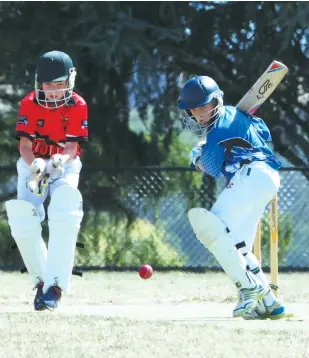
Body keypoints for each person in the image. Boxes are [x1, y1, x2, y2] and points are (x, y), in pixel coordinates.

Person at [177, 75, 285, 319]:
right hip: (266, 178)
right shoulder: (236, 116)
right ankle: (270, 302)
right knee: (239, 245)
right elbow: (262, 132)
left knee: (211, 227)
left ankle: (249, 288)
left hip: (252, 175)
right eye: (195, 109)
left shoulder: (218, 130)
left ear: (216, 101)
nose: (200, 113)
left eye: (204, 106)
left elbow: (210, 168)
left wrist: (197, 155)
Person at [5, 50, 88, 311]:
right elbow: (25, 147)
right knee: (22, 218)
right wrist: (35, 167)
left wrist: (58, 163)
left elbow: (72, 148)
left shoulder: (78, 104)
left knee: (65, 208)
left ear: (70, 81)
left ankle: (56, 288)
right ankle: (42, 283)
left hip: (64, 164)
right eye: (49, 84)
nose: (53, 91)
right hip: (34, 164)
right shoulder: (29, 103)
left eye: (59, 84)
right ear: (39, 82)